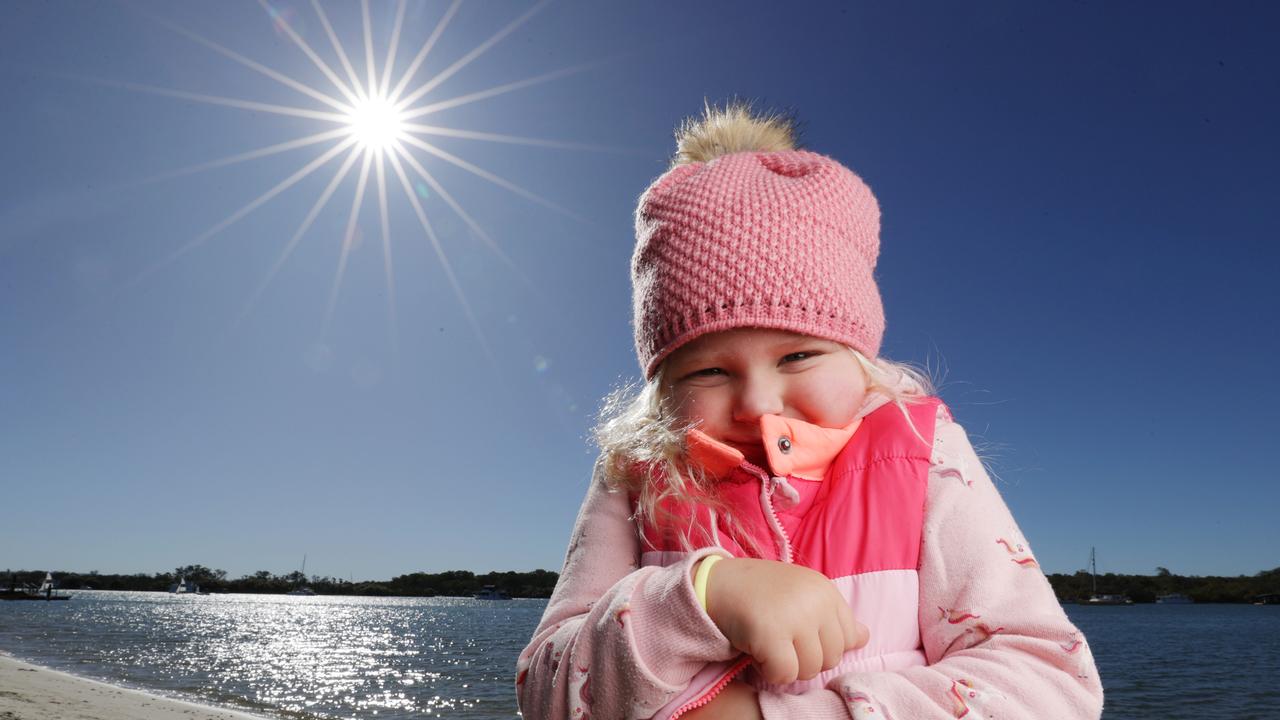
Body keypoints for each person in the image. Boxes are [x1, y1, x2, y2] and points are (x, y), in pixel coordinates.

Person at [516, 102, 1103, 719]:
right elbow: (544, 688)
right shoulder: (635, 476)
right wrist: (699, 598)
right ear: (663, 385)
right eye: (709, 370)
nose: (757, 403)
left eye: (797, 356)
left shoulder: (919, 452)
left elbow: (1050, 683)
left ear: (856, 355)